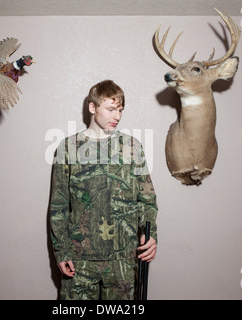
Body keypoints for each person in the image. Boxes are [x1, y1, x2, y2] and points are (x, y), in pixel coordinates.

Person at [49, 80, 158, 300]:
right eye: (110, 109)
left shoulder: (132, 147)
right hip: (81, 258)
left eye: (120, 110)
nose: (116, 116)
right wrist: (62, 251)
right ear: (93, 108)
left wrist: (150, 234)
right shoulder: (68, 148)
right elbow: (59, 206)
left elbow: (147, 198)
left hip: (123, 258)